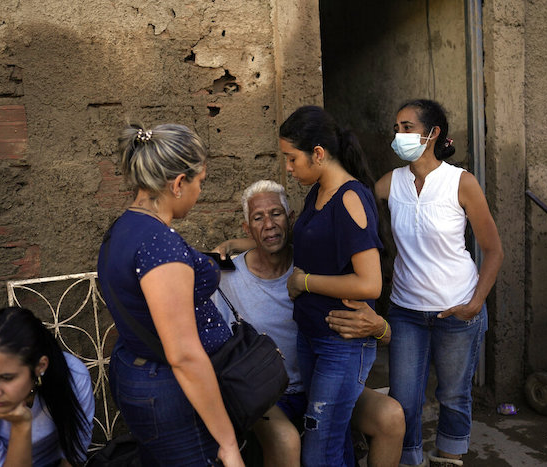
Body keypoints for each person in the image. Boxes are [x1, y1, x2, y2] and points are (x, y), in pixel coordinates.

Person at [213, 180, 404, 467]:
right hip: (267, 394)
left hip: (321, 383)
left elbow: (383, 333)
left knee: (390, 416)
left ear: (291, 220)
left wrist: (380, 327)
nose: (268, 224)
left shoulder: (315, 271)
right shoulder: (229, 278)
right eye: (258, 218)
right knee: (285, 439)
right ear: (247, 229)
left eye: (276, 214)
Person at [97, 124, 243, 467]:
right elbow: (184, 355)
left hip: (138, 370)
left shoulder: (124, 227)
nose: (199, 191)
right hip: (168, 389)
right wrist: (228, 444)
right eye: (199, 182)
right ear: (178, 183)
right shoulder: (158, 244)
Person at [374, 99, 504, 467]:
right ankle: (410, 460)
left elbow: (493, 251)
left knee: (453, 395)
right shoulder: (391, 182)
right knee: (404, 399)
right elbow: (349, 207)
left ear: (433, 134)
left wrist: (476, 302)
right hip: (406, 311)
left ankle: (450, 459)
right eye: (397, 128)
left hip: (458, 311)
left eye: (406, 128)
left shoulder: (460, 182)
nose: (398, 136)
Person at [281, 105, 383, 467]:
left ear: (319, 154)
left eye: (292, 159)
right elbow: (309, 245)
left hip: (341, 344)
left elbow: (370, 283)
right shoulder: (318, 192)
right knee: (333, 442)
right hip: (312, 337)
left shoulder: (350, 198)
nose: (288, 168)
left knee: (318, 450)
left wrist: (304, 282)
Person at [0, 307, 95, 467]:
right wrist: (20, 426)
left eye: (6, 377)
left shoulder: (73, 376)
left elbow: (74, 454)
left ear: (40, 366)